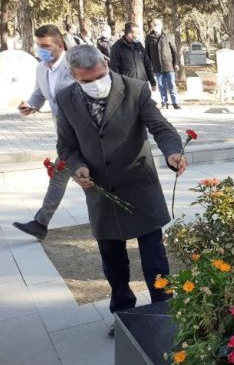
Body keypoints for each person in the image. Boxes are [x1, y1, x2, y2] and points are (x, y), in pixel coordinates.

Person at [56, 45, 186, 337]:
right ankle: (124, 315)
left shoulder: (135, 89)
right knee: (113, 262)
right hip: (101, 192)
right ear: (74, 76)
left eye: (98, 76)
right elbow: (66, 146)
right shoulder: (65, 99)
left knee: (155, 260)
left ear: (106, 63)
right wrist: (78, 168)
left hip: (140, 187)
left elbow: (161, 128)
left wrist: (172, 152)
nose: (95, 84)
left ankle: (164, 311)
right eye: (86, 81)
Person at [12, 25, 76, 240]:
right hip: (63, 132)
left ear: (60, 45)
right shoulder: (41, 68)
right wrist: (30, 105)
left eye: (46, 46)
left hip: (84, 132)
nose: (41, 50)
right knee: (62, 175)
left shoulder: (74, 64)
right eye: (39, 45)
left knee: (73, 176)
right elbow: (39, 93)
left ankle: (41, 223)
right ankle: (40, 223)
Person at [109, 22, 157, 91]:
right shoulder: (116, 48)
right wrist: (119, 87)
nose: (138, 35)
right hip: (129, 87)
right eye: (137, 33)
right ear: (129, 34)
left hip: (143, 84)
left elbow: (147, 64)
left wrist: (152, 82)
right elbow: (114, 70)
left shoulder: (139, 45)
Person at [145, 19, 181, 109]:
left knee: (171, 84)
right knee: (161, 85)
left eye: (157, 24)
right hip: (157, 66)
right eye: (153, 25)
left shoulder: (168, 36)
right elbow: (147, 53)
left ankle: (175, 102)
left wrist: (176, 63)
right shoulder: (149, 38)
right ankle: (164, 102)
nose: (155, 26)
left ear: (160, 26)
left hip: (169, 65)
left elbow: (174, 51)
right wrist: (149, 65)